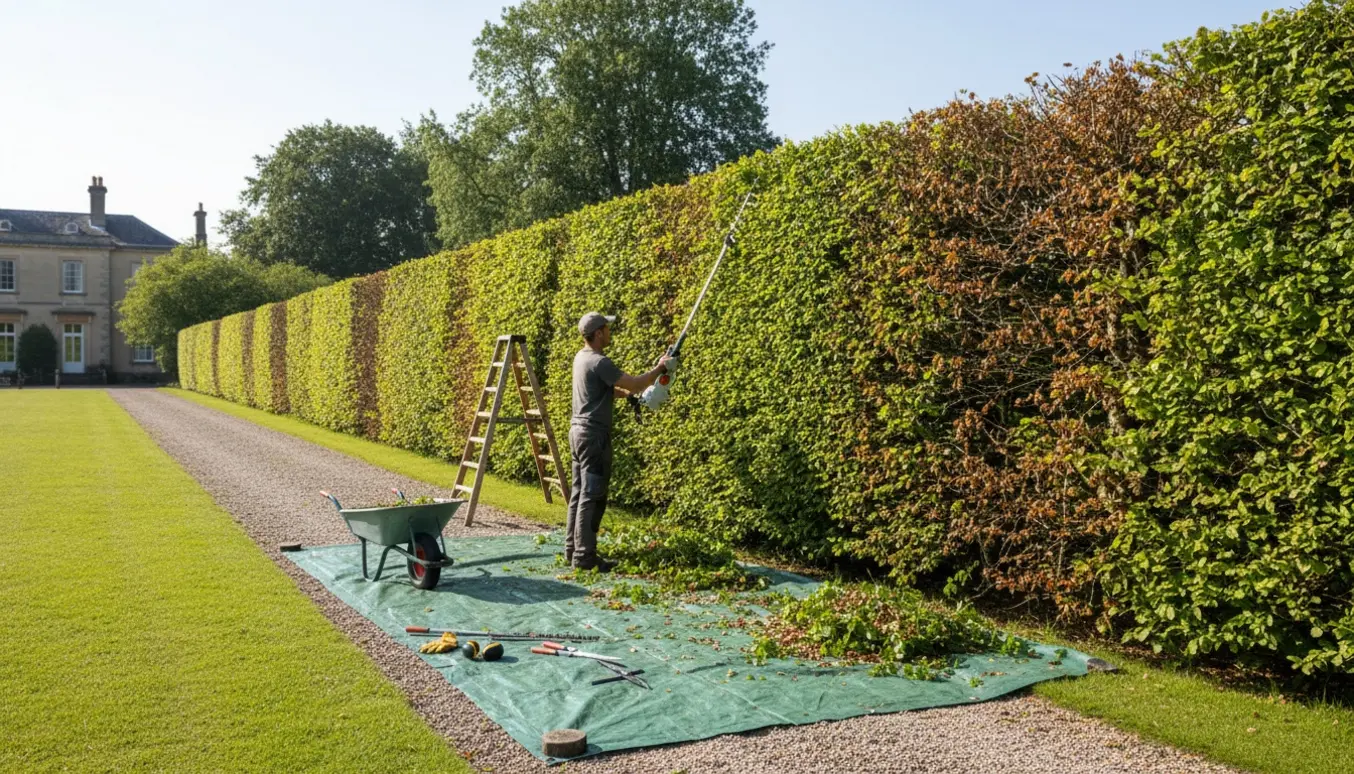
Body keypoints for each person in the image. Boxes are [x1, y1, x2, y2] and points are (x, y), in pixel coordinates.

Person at [566, 312, 674, 570]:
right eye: (607, 328)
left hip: (577, 432)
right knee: (593, 496)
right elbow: (635, 383)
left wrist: (628, 397)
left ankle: (572, 549)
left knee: (579, 493)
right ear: (599, 333)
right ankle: (585, 557)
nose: (610, 332)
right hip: (594, 436)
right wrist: (660, 368)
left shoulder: (581, 358)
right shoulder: (600, 361)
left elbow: (606, 389)